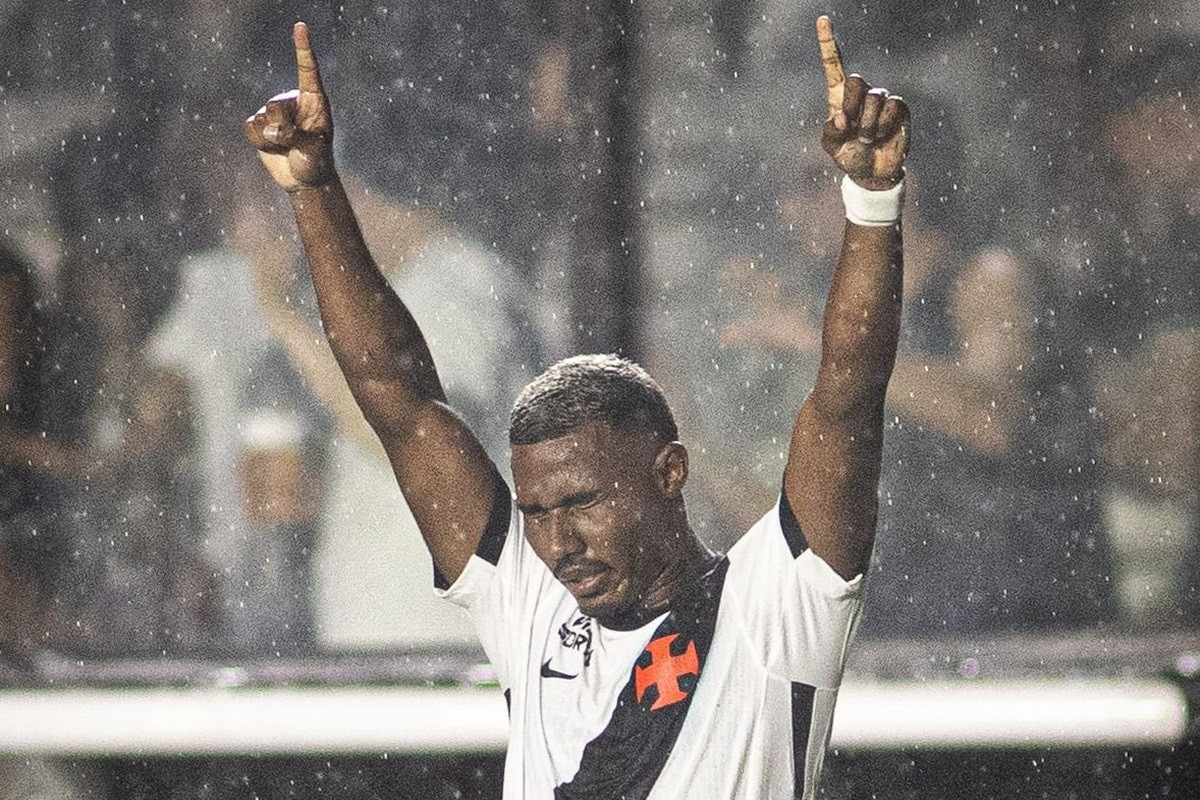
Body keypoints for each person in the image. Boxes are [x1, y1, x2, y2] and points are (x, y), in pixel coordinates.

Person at [244, 15, 908, 799]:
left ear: (669, 471)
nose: (559, 543)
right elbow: (402, 403)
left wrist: (872, 201)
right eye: (536, 512)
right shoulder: (530, 603)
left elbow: (847, 395)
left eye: (583, 502)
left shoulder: (776, 605)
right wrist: (314, 191)